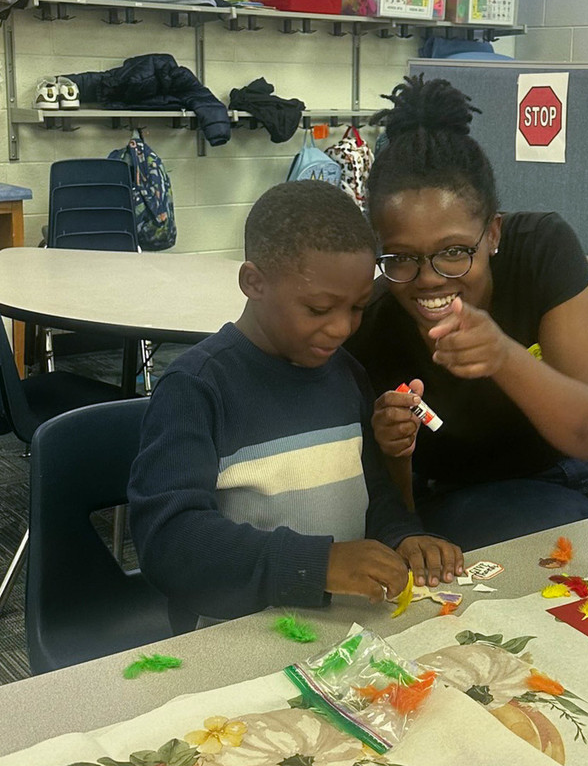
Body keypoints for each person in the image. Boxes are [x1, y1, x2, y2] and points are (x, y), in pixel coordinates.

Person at [345, 75, 588, 551]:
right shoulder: (372, 326)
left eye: (455, 251)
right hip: (483, 492)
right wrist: (395, 450)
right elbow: (397, 512)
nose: (429, 278)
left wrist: (503, 355)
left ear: (494, 233)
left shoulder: (540, 248)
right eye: (400, 257)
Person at [128, 180, 463, 625]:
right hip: (235, 635)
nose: (343, 328)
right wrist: (319, 563)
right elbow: (170, 542)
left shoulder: (347, 374)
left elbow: (373, 492)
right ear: (254, 283)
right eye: (320, 309)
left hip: (334, 628)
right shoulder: (197, 388)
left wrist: (402, 536)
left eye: (358, 307)